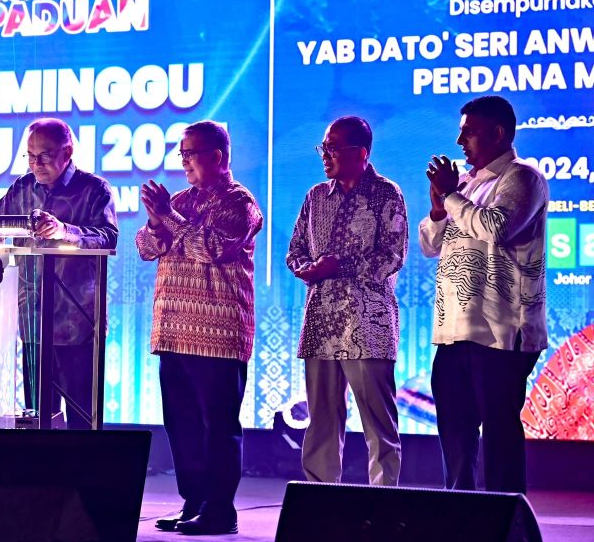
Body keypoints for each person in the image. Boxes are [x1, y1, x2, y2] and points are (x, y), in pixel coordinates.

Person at [136, 120, 262, 536]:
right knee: (183, 426)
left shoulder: (239, 202)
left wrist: (167, 216)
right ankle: (193, 502)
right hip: (173, 331)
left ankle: (220, 510)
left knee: (217, 427)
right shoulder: (180, 201)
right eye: (182, 154)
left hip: (218, 335)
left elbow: (210, 248)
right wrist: (157, 222)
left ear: (217, 157)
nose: (184, 161)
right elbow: (145, 248)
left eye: (190, 153)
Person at [420, 95, 548, 493]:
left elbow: (496, 228)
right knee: (455, 434)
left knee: (498, 433)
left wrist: (451, 197)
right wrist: (439, 209)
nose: (460, 142)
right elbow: (429, 244)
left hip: (501, 331)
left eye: (469, 133)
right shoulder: (465, 184)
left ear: (497, 133)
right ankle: (461, 515)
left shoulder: (522, 177)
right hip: (454, 330)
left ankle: (504, 518)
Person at [286, 116, 407, 487]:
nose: (326, 155)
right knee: (321, 420)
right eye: (324, 147)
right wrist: (307, 269)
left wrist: (339, 265)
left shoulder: (386, 194)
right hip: (320, 323)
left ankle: (383, 503)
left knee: (378, 423)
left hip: (367, 326)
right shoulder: (315, 197)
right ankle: (320, 498)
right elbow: (294, 251)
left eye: (334, 148)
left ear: (362, 153)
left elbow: (392, 257)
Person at [0, 118, 118, 429]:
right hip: (33, 320)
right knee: (38, 419)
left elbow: (108, 237)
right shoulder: (21, 188)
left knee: (82, 420)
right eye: (30, 156)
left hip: (78, 322)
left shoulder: (93, 189)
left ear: (67, 152)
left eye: (44, 155)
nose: (36, 164)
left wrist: (64, 231)